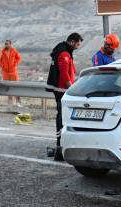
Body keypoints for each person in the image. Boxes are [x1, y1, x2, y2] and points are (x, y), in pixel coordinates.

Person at [46, 33, 83, 161]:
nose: (78, 47)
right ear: (72, 42)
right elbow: (64, 75)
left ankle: (60, 148)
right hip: (63, 92)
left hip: (60, 91)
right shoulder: (64, 54)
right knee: (62, 120)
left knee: (61, 119)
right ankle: (60, 149)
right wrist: (72, 89)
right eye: (77, 44)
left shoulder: (62, 51)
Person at [0, 40, 22, 106]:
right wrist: (2, 66)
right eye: (5, 44)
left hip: (13, 72)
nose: (6, 45)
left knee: (16, 86)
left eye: (7, 44)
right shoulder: (2, 51)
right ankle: (10, 103)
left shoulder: (14, 51)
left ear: (10, 44)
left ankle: (18, 102)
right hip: (5, 73)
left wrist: (15, 64)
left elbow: (19, 58)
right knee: (7, 87)